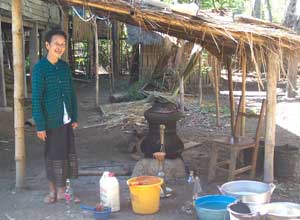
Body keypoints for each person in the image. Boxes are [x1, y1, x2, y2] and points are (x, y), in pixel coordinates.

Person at [32, 29, 79, 204]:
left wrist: (74, 116)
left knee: (66, 155)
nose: (59, 47)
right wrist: (40, 125)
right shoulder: (40, 69)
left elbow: (72, 93)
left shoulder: (64, 67)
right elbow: (36, 99)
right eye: (56, 44)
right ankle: (53, 192)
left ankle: (64, 191)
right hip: (51, 122)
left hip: (66, 121)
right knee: (52, 156)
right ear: (47, 45)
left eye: (62, 44)